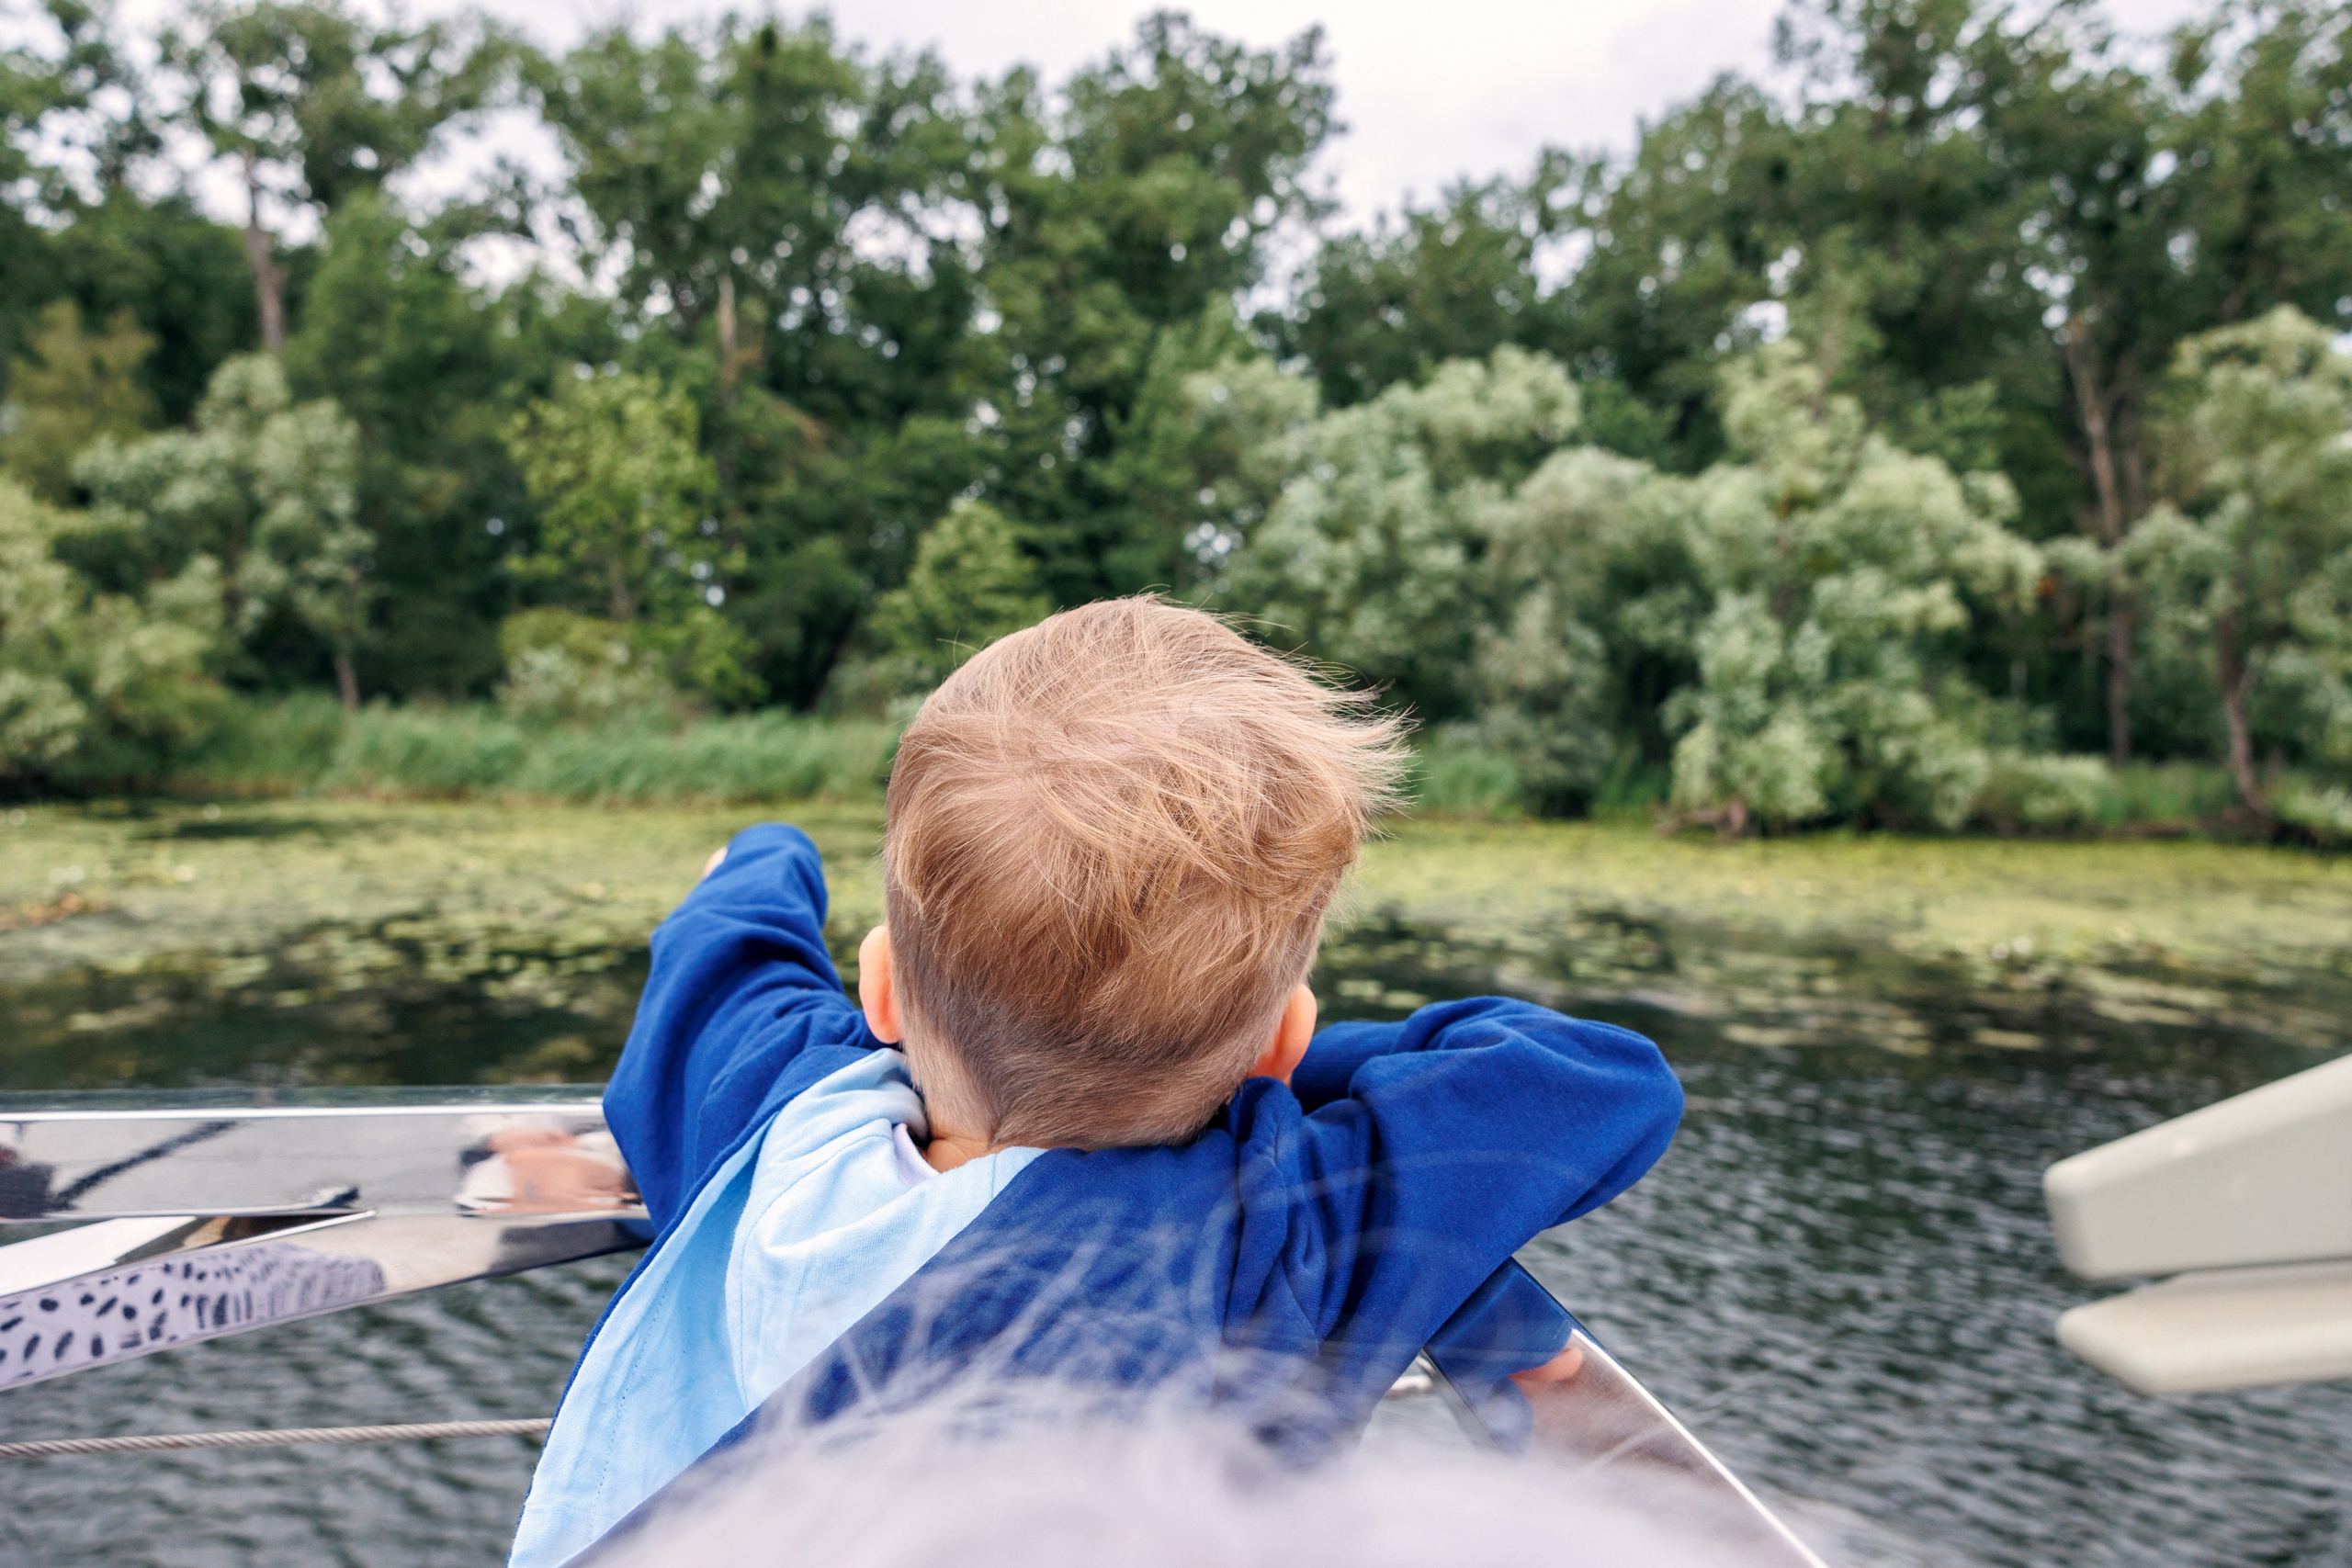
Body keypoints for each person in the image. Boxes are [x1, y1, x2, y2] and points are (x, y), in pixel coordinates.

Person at [509, 598, 1683, 1568]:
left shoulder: (766, 1107)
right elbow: (1599, 1082)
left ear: (880, 994)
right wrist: (1262, 1075)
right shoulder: (1282, 1235)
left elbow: (722, 945)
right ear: (1280, 1044)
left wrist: (768, 848)